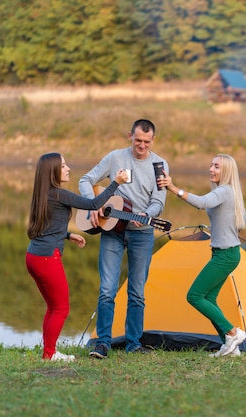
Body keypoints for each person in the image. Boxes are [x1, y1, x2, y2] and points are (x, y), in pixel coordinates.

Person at [26, 152, 129, 362]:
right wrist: (115, 183)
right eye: (63, 166)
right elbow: (93, 205)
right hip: (47, 258)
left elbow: (46, 228)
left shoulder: (43, 194)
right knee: (61, 308)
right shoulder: (58, 194)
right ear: (53, 171)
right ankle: (50, 354)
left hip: (34, 255)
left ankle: (48, 351)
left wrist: (68, 235)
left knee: (53, 307)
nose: (68, 169)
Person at [79, 119, 168, 358]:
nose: (141, 146)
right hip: (112, 231)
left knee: (137, 292)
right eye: (137, 140)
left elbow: (158, 201)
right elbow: (85, 180)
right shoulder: (115, 157)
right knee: (107, 289)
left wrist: (147, 215)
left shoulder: (160, 165)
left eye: (146, 142)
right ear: (130, 135)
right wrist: (93, 205)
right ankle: (102, 343)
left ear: (153, 140)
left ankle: (133, 343)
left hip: (142, 234)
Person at [157, 154, 246, 357]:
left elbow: (201, 203)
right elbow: (241, 219)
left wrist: (173, 188)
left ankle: (233, 332)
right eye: (211, 165)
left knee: (195, 295)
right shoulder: (227, 192)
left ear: (226, 172)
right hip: (225, 253)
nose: (211, 169)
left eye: (216, 166)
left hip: (225, 255)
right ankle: (229, 347)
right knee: (210, 299)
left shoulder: (224, 191)